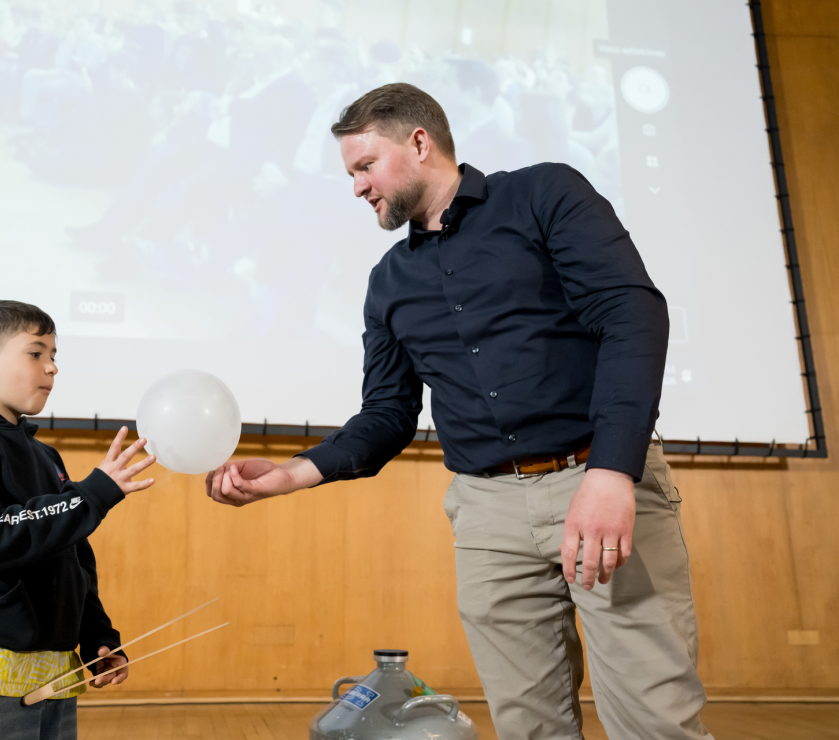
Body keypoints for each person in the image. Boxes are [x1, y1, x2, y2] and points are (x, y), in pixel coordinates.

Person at [206, 83, 713, 740]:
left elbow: (631, 314)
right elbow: (387, 413)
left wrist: (612, 472)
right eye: (351, 173)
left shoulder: (545, 194)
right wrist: (292, 473)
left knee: (654, 723)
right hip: (486, 513)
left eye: (366, 166)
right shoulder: (388, 282)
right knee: (529, 728)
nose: (357, 187)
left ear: (420, 143)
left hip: (597, 480)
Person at [0, 300, 156, 739]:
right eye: (36, 353)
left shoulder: (46, 456)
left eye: (54, 355)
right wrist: (91, 494)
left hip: (51, 676)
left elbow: (72, 557)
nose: (52, 367)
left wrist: (97, 635)